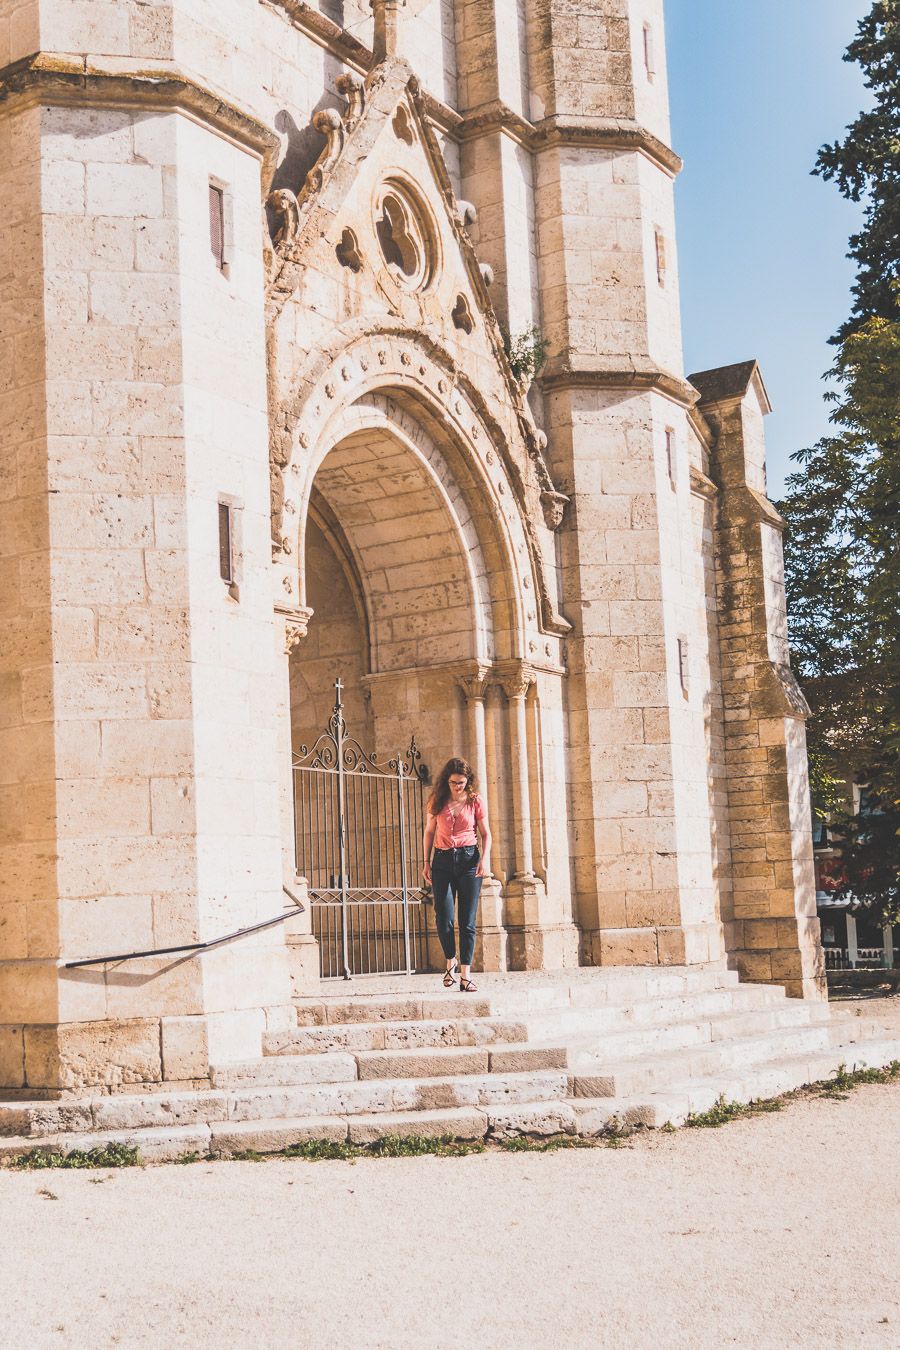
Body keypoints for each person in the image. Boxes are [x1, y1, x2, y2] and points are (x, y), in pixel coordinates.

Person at [422, 757, 491, 992]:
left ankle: (465, 976)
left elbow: (486, 833)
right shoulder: (437, 801)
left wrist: (484, 859)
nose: (457, 786)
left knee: (468, 921)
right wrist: (426, 862)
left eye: (461, 782)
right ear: (446, 781)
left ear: (468, 781)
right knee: (443, 916)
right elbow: (429, 832)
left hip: (469, 861)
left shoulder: (475, 801)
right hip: (441, 860)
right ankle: (450, 960)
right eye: (453, 782)